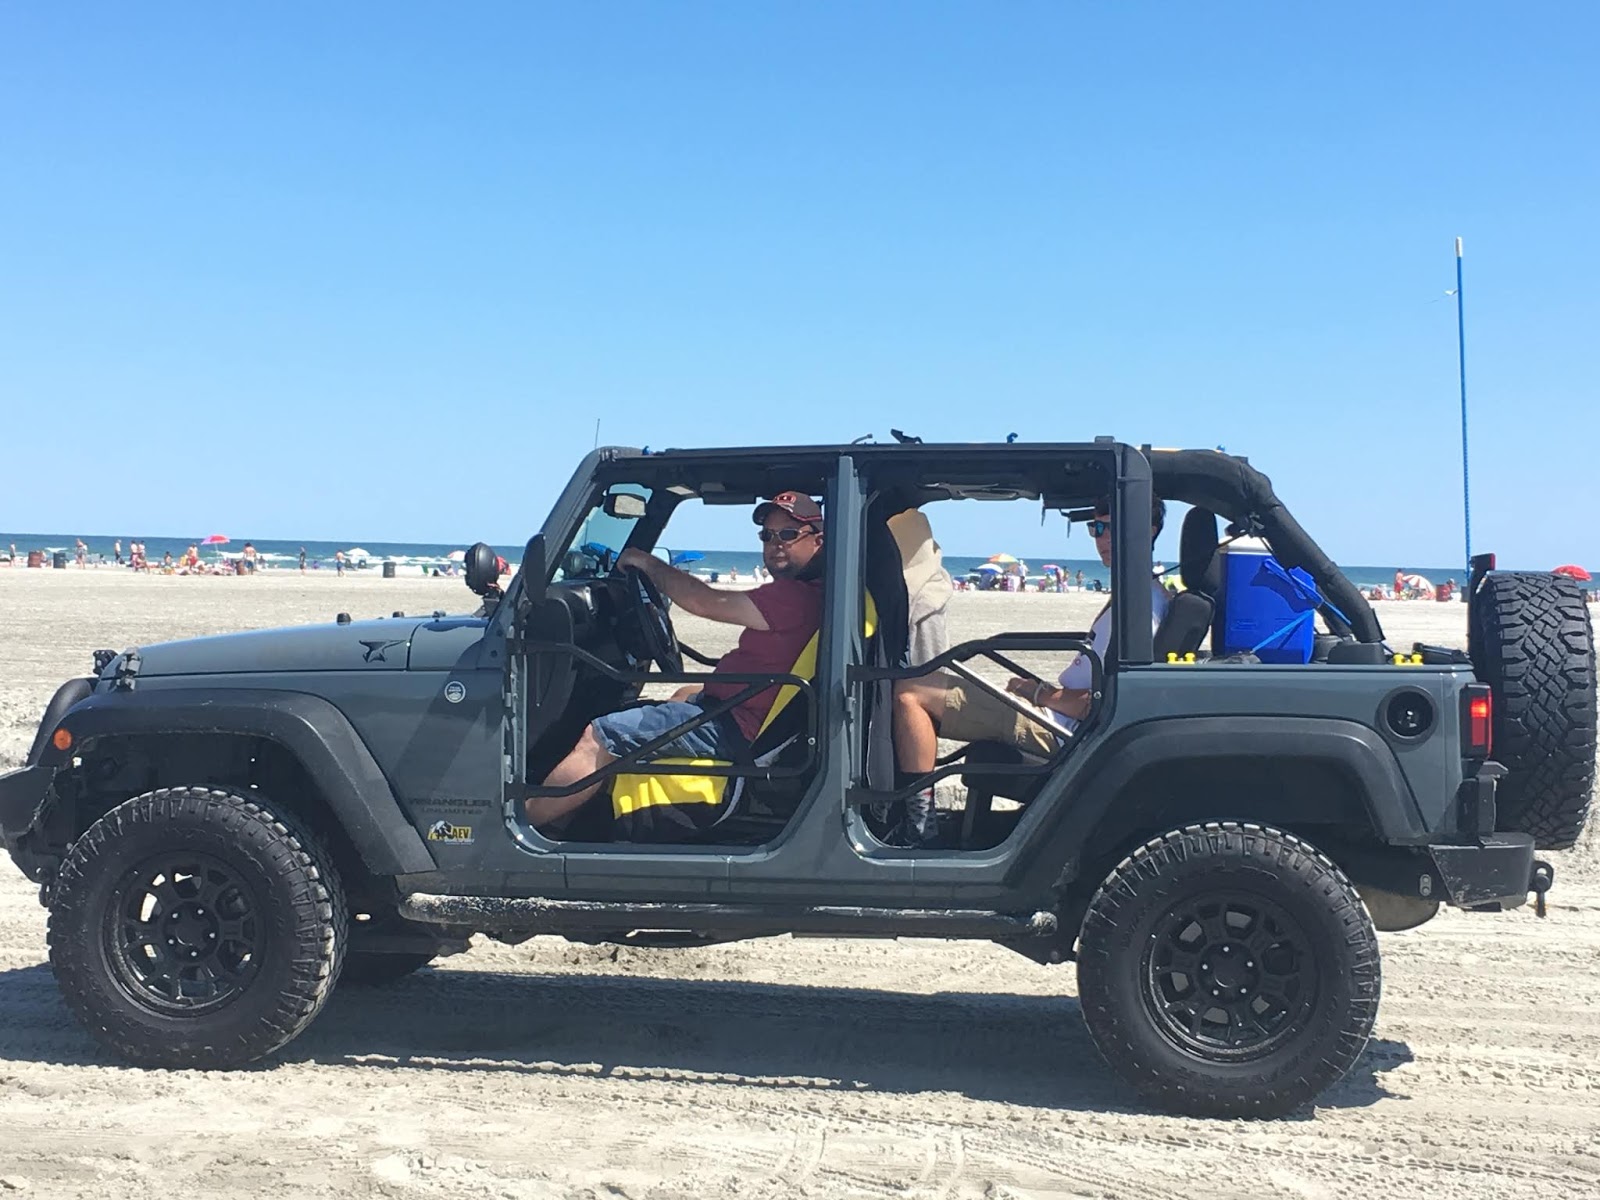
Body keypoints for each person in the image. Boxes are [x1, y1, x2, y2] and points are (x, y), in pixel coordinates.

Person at [526, 491, 826, 833]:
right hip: (743, 706)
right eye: (767, 535)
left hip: (737, 725)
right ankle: (578, 814)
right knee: (683, 691)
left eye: (788, 534)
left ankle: (523, 828)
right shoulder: (814, 593)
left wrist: (648, 563)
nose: (775, 544)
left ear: (818, 540)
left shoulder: (792, 597)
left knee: (599, 736)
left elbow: (704, 601)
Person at [891, 499, 1171, 835]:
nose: (1102, 538)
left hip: (1058, 729)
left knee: (910, 693)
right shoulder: (1133, 594)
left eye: (1111, 528)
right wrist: (1038, 690)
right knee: (924, 682)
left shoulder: (1142, 607)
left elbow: (1102, 702)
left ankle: (920, 827)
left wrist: (1040, 694)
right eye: (1096, 528)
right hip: (1056, 715)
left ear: (1147, 531)